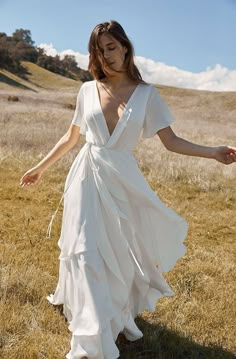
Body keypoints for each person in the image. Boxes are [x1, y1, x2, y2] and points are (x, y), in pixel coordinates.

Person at [20, 20, 236, 359]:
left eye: (110, 48)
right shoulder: (86, 90)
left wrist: (213, 152)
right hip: (87, 178)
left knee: (118, 257)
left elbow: (172, 141)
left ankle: (111, 315)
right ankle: (91, 338)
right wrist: (39, 168)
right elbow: (71, 137)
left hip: (123, 182)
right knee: (86, 252)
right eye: (98, 51)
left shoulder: (147, 95)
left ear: (124, 47)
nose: (105, 57)